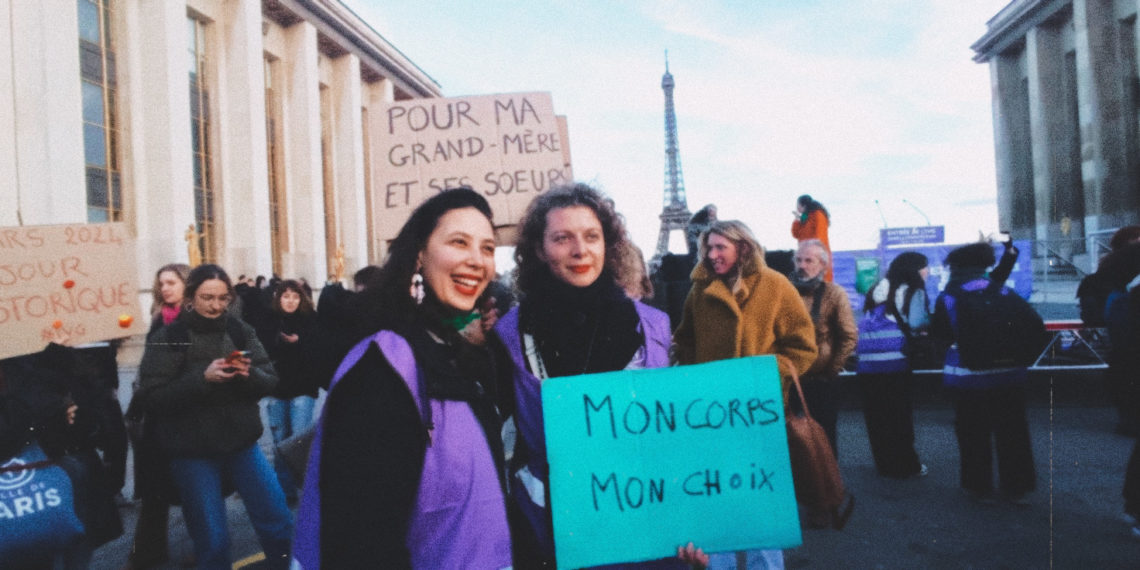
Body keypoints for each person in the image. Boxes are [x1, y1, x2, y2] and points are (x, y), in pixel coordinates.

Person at [293, 188, 512, 569]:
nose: (477, 260)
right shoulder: (383, 366)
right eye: (459, 242)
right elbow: (361, 543)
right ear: (419, 256)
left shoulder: (455, 351)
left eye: (488, 248)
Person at [494, 183, 706, 568]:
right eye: (562, 238)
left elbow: (677, 437)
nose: (581, 250)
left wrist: (697, 522)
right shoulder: (508, 335)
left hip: (648, 530)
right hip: (554, 536)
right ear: (539, 249)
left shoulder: (654, 326)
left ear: (607, 244)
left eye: (592, 236)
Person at [673, 219, 817, 569]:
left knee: (761, 501)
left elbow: (803, 347)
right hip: (711, 415)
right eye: (708, 247)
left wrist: (765, 377)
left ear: (743, 247)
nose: (712, 254)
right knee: (715, 496)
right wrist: (695, 384)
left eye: (720, 247)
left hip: (759, 413)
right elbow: (685, 342)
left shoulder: (775, 285)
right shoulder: (700, 291)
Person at [136, 264, 293, 569]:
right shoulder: (170, 336)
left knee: (277, 521)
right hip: (192, 452)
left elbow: (270, 380)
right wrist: (202, 379)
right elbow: (152, 398)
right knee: (213, 539)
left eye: (223, 298)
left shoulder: (239, 330)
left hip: (242, 445)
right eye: (207, 298)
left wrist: (248, 374)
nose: (216, 306)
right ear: (190, 297)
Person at [931, 242, 1035, 504]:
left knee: (973, 433)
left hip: (967, 378)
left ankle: (978, 487)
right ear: (985, 265)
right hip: (1010, 374)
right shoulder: (1004, 291)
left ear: (956, 267)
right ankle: (1017, 487)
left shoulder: (950, 296)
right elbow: (1033, 324)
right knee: (1013, 431)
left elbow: (940, 336)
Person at [123, 262, 191, 570]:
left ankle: (203, 545)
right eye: (161, 283)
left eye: (171, 283)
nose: (165, 288)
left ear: (186, 285)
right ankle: (147, 552)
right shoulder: (158, 317)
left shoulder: (196, 319)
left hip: (185, 414)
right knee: (154, 488)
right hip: (155, 414)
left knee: (192, 486)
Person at [854, 252, 931, 479]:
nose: (927, 271)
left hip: (867, 365)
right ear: (914, 269)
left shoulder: (876, 290)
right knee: (899, 416)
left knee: (877, 417)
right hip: (895, 363)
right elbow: (916, 323)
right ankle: (907, 465)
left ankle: (885, 465)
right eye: (924, 267)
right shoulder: (912, 291)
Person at [790, 239, 856, 457]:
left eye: (809, 260)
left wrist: (831, 370)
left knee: (824, 438)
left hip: (820, 381)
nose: (802, 265)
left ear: (822, 266)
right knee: (789, 439)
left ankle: (828, 479)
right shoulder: (784, 292)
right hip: (788, 378)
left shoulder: (833, 293)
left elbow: (848, 335)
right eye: (798, 260)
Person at [262, 279, 319, 503]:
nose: (290, 301)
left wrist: (300, 341)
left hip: (303, 388)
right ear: (278, 298)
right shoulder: (269, 319)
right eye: (286, 296)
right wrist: (277, 340)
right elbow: (261, 349)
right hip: (277, 389)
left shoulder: (310, 319)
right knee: (279, 440)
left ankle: (306, 488)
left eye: (295, 297)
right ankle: (285, 491)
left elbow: (319, 349)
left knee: (298, 439)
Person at [790, 195, 832, 282]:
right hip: (805, 252)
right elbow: (795, 234)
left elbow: (819, 234)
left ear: (803, 205)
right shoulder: (804, 218)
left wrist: (815, 249)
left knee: (821, 277)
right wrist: (797, 220)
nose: (797, 208)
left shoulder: (818, 215)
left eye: (797, 205)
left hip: (817, 252)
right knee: (806, 277)